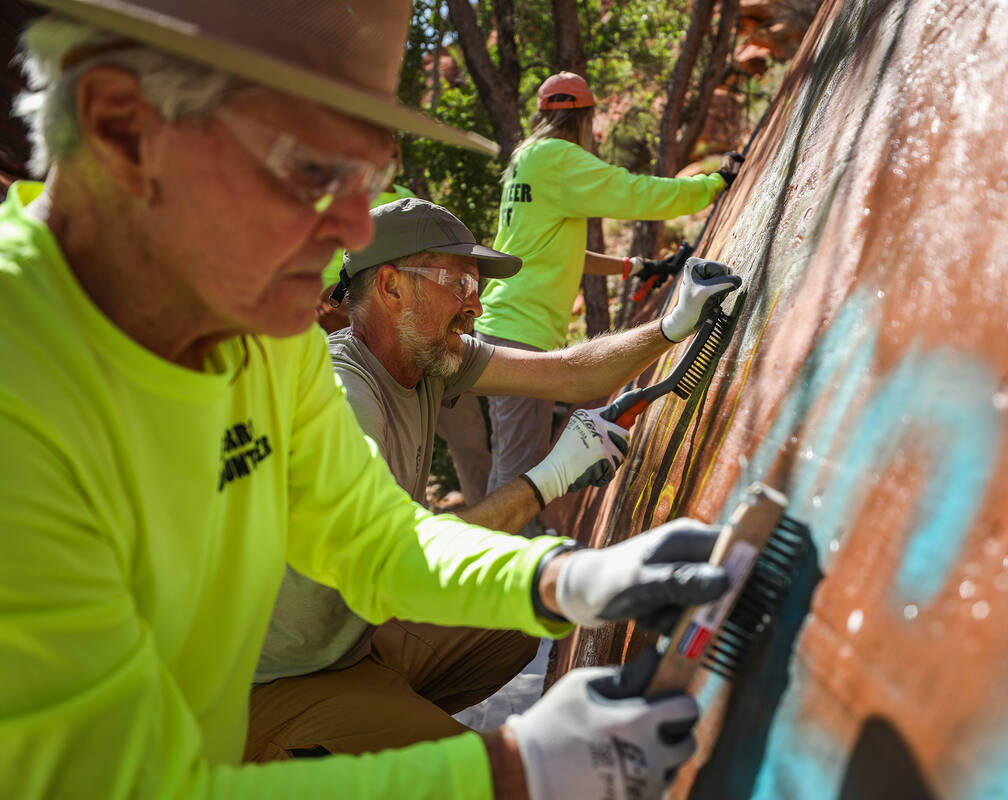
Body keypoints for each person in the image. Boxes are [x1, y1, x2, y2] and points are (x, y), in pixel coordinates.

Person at [0, 4, 731, 799]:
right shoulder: (24, 383)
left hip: (307, 668)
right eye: (317, 170)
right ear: (124, 130)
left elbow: (371, 535)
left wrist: (561, 578)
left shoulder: (261, 327)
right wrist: (510, 770)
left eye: (368, 176)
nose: (353, 225)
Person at [249, 197, 742, 760]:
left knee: (519, 621)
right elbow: (401, 556)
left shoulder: (428, 355)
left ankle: (377, 726)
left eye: (476, 287)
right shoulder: (342, 394)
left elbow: (568, 374)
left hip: (352, 640)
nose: (475, 307)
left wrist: (672, 326)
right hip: (273, 683)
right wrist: (550, 481)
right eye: (459, 284)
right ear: (390, 288)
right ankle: (328, 753)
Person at [476, 70, 740, 511]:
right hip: (521, 331)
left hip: (504, 322)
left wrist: (631, 267)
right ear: (585, 117)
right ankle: (502, 564)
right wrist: (711, 186)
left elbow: (547, 250)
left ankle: (500, 554)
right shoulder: (559, 157)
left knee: (510, 458)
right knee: (519, 469)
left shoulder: (527, 158)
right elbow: (633, 193)